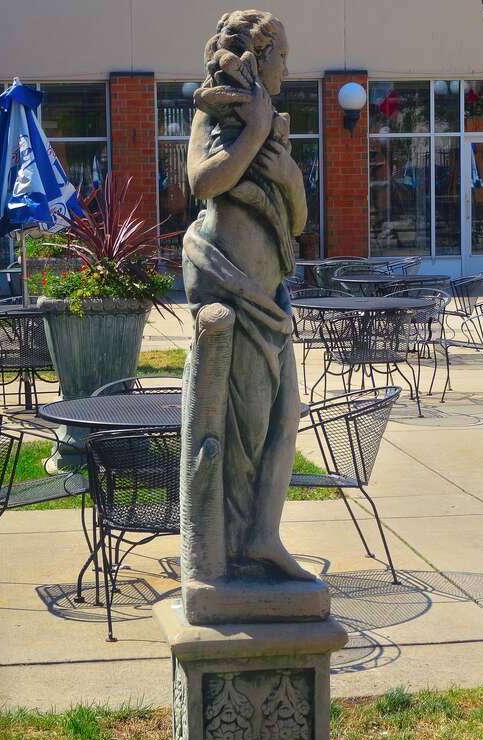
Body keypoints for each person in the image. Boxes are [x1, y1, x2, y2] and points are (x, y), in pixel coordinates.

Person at [183, 10, 312, 581]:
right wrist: (254, 131)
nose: (288, 65)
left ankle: (264, 534)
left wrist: (287, 177)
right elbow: (203, 183)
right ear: (259, 58)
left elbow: (299, 223)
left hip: (270, 294)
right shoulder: (215, 110)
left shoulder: (275, 124)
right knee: (243, 431)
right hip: (230, 289)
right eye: (282, 54)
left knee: (285, 418)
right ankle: (233, 552)